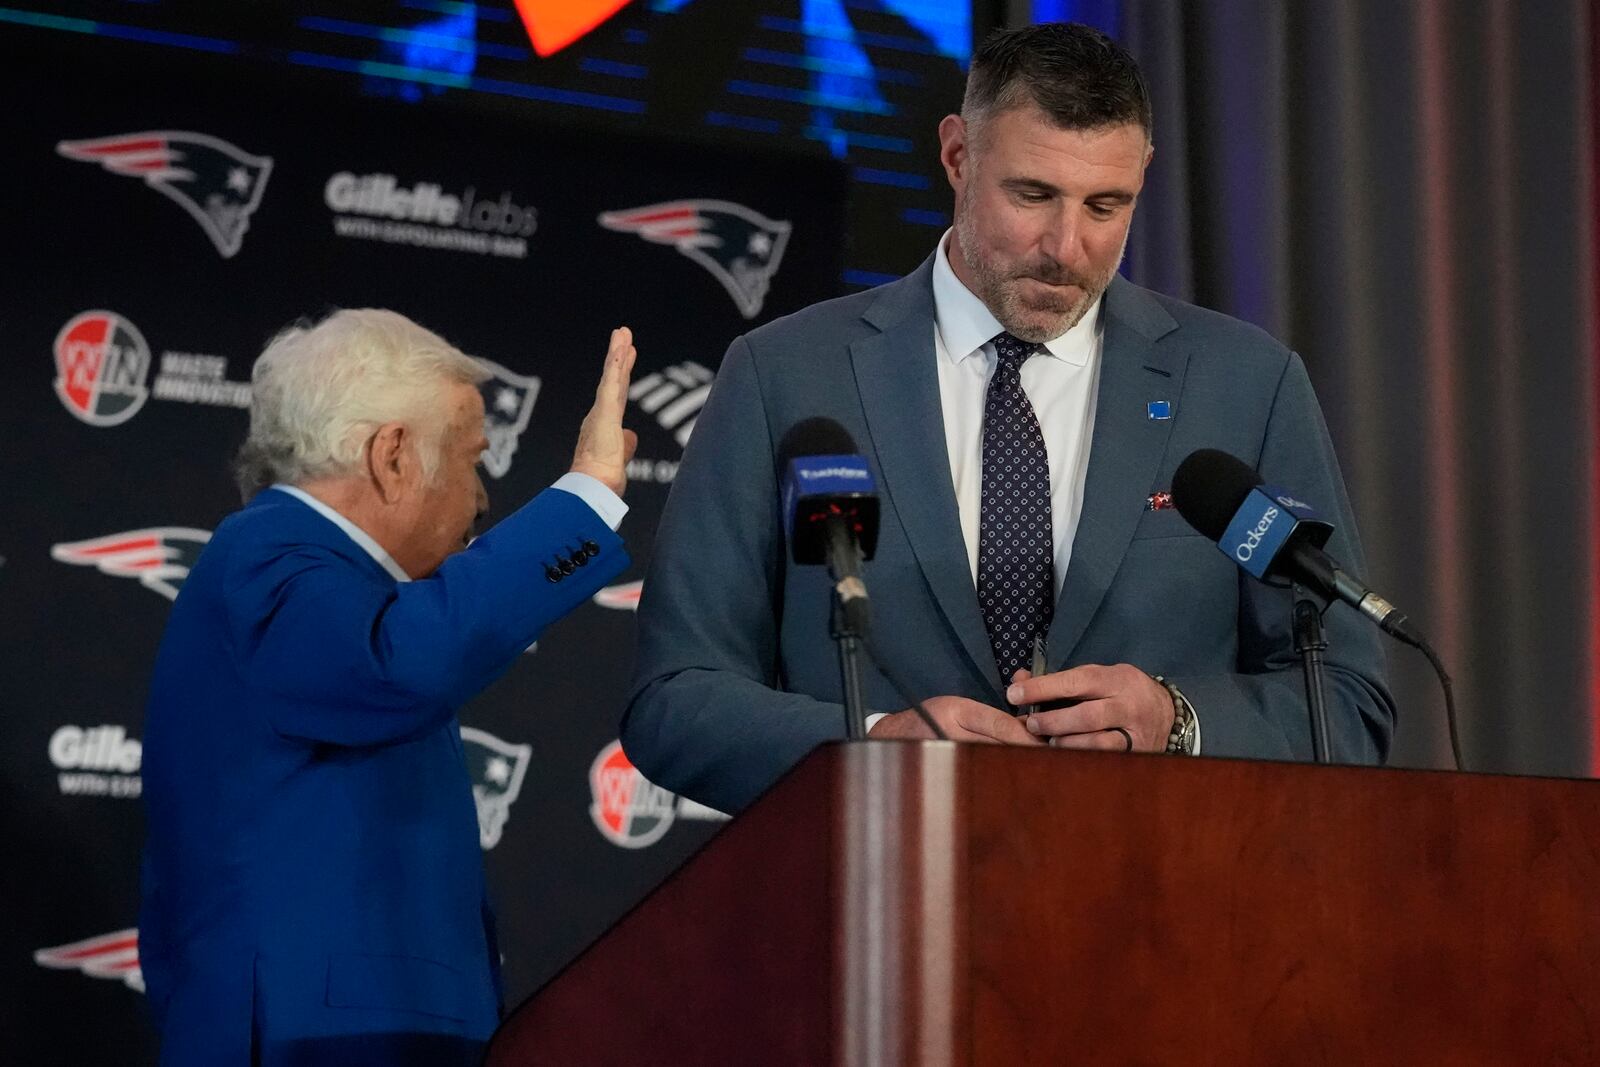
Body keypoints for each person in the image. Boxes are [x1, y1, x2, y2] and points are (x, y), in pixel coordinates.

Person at [622, 22, 1393, 816]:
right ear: (957, 155)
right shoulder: (783, 375)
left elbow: (1347, 702)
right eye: (1033, 195)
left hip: (1164, 911)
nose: (1067, 245)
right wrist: (871, 741)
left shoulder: (1245, 384)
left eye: (1106, 204)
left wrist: (1177, 720)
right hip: (875, 900)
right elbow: (675, 699)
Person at [138, 309, 638, 1066]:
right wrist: (588, 499)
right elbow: (397, 659)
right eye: (472, 459)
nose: (479, 499)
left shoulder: (319, 579)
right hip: (315, 1041)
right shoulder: (264, 558)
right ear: (393, 455)